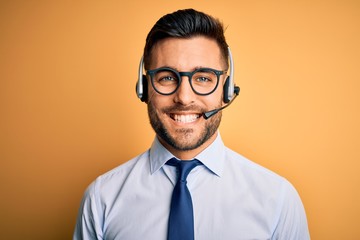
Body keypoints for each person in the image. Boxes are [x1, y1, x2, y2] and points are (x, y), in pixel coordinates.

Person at [73, 8, 310, 240]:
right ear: (143, 88)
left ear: (226, 90)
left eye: (203, 78)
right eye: (166, 77)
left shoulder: (277, 199)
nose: (184, 97)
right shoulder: (101, 198)